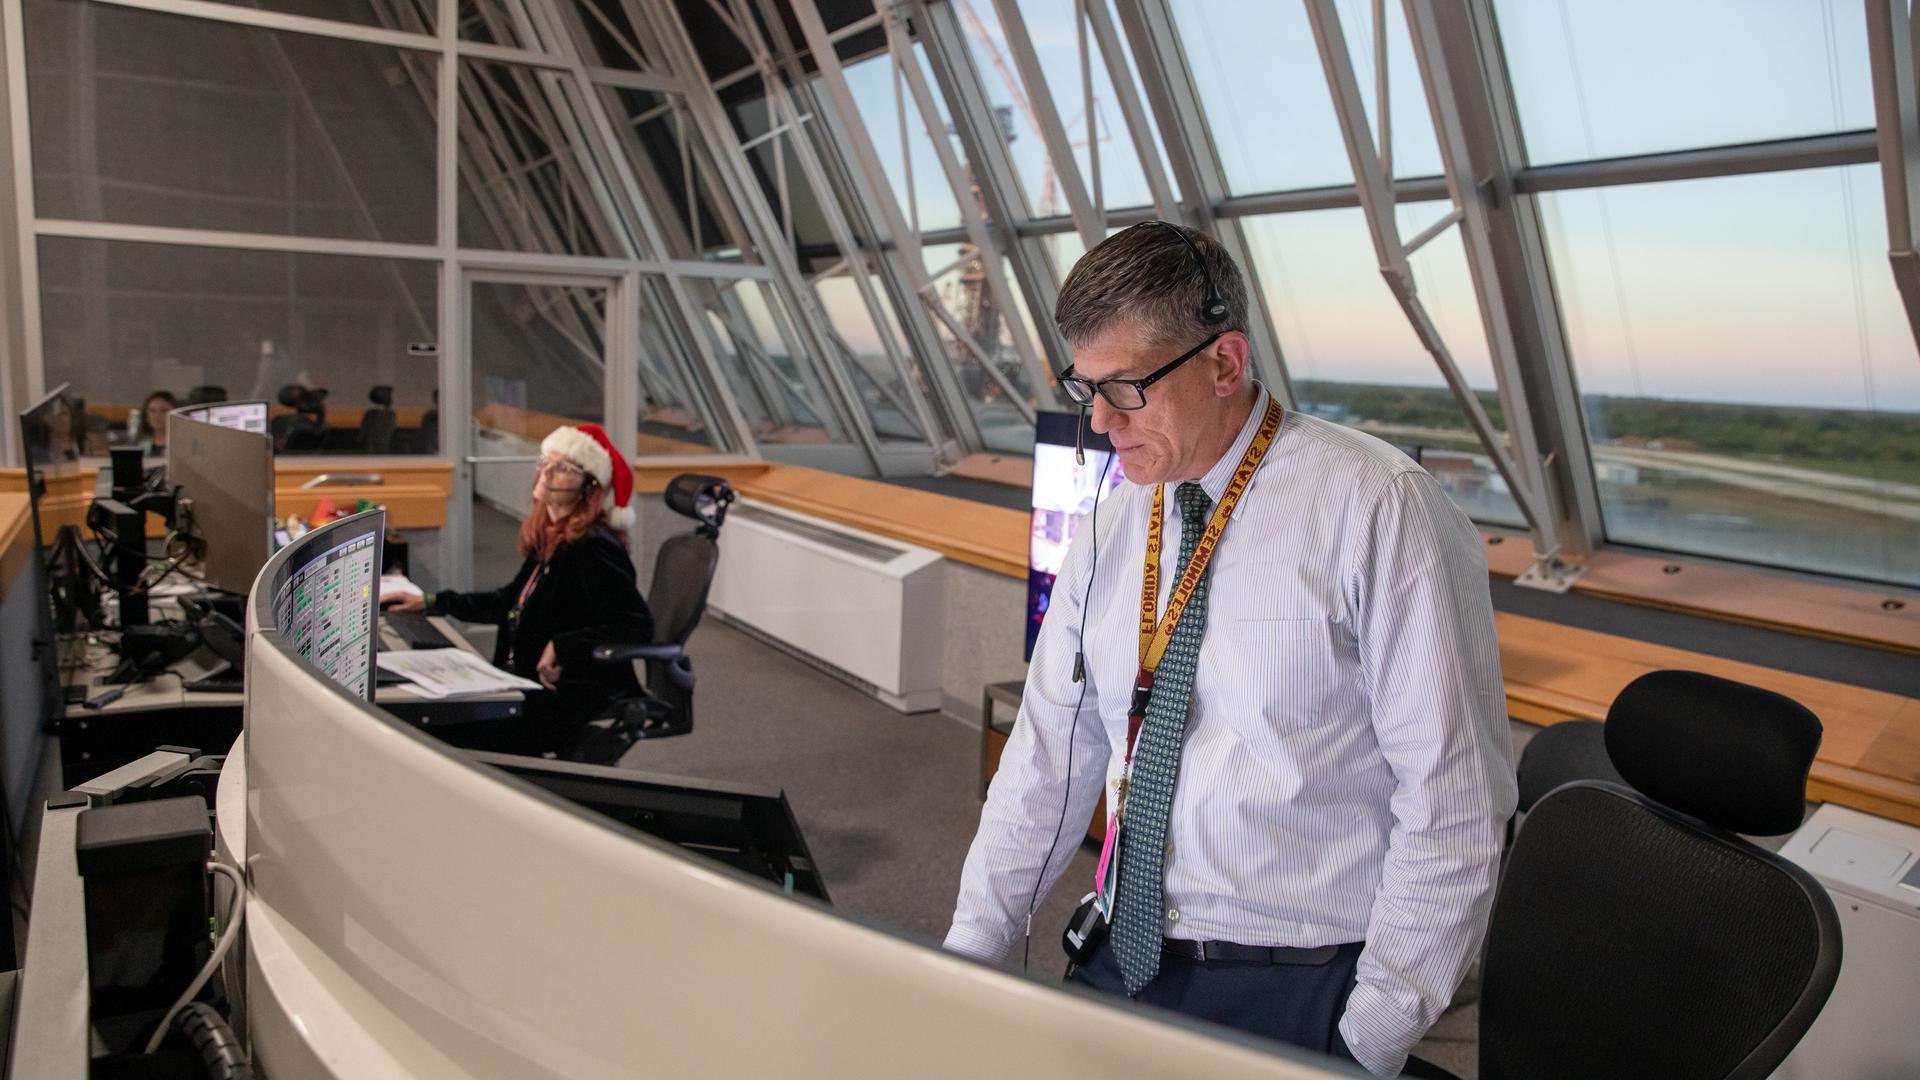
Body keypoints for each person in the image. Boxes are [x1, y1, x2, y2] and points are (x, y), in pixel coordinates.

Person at [944, 222, 1515, 1078]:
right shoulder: (1112, 524)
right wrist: (961, 966)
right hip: (1119, 953)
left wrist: (1367, 1039)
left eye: (1126, 386)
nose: (1099, 423)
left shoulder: (1379, 509)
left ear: (1224, 362)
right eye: (1085, 386)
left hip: (1294, 986)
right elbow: (1045, 762)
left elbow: (1455, 805)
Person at [385, 423, 653, 747]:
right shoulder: (553, 536)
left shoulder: (592, 548)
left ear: (589, 488)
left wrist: (563, 646)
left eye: (563, 468)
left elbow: (636, 626)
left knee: (433, 731)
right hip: (519, 683)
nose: (546, 473)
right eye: (545, 462)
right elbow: (509, 601)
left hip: (562, 698)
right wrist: (431, 603)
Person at [135, 390, 177, 455]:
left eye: (163, 411)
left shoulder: (182, 445)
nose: (157, 415)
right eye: (152, 411)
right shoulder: (139, 445)